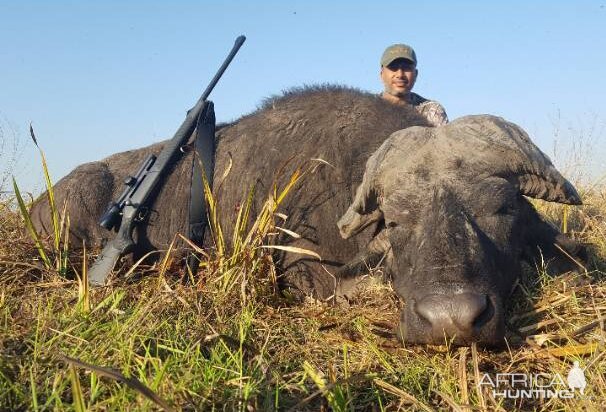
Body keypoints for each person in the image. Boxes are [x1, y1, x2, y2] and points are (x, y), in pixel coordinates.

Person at [379, 43, 448, 126]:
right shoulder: (367, 108)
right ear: (382, 75)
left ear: (416, 74)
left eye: (407, 68)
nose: (400, 74)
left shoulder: (432, 110)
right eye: (393, 67)